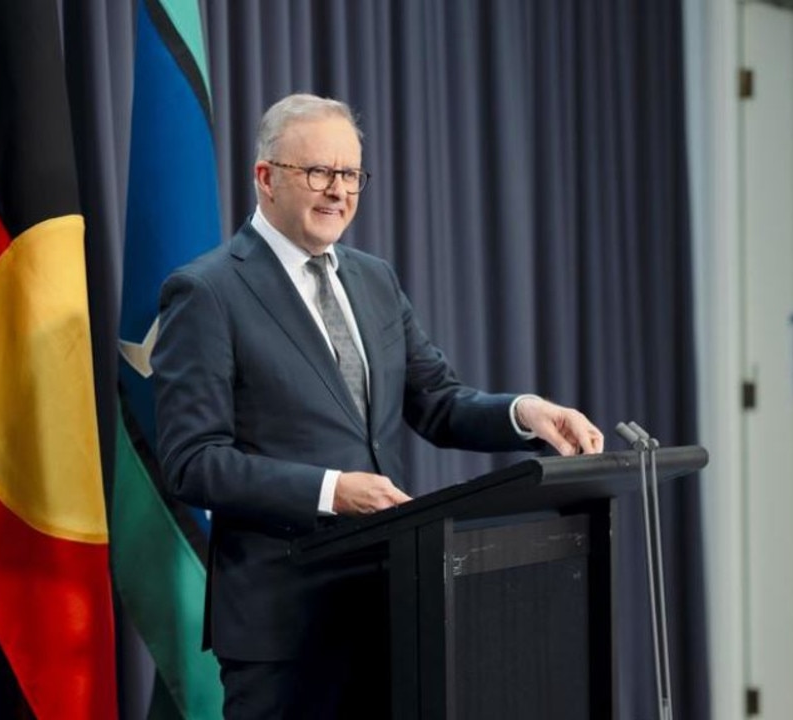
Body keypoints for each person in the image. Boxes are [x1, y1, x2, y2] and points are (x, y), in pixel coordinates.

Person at [152, 93, 604, 719]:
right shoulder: (206, 292)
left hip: (388, 604)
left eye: (350, 175)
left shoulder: (373, 278)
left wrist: (524, 413)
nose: (338, 190)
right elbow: (193, 462)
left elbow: (437, 402)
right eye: (319, 172)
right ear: (266, 177)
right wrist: (333, 490)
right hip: (282, 629)